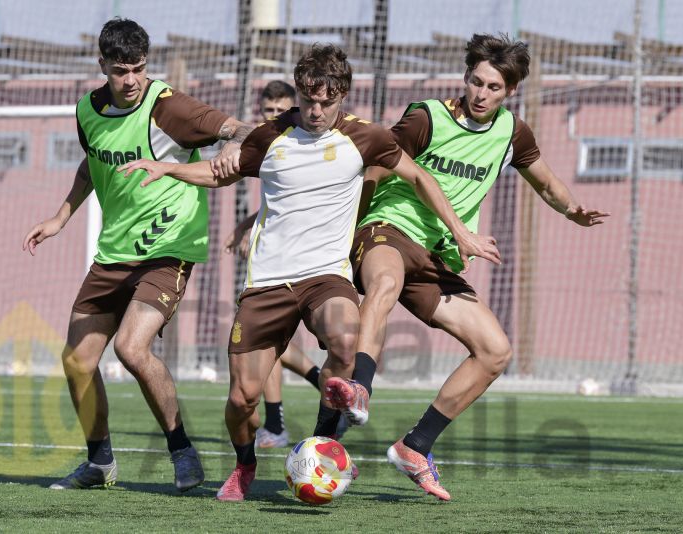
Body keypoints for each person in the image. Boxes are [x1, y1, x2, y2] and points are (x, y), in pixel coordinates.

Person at [119, 43, 499, 501]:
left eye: (326, 101)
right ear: (299, 93)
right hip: (267, 282)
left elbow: (420, 177)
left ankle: (322, 443)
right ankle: (244, 465)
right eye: (308, 100)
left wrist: (458, 231)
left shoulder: (366, 137)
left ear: (342, 96)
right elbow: (220, 174)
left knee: (345, 337)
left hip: (326, 276)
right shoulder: (269, 136)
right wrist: (166, 168)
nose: (316, 111)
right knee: (243, 399)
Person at [326, 33, 610, 501]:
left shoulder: (512, 134)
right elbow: (376, 168)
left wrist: (572, 209)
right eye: (476, 82)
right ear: (465, 78)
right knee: (385, 282)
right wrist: (346, 229)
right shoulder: (427, 118)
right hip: (389, 229)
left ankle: (415, 446)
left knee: (495, 350)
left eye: (493, 87)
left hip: (440, 255)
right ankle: (360, 388)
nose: (481, 94)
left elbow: (546, 181)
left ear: (510, 92)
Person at [21, 17, 252, 492]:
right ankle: (99, 463)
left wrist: (230, 143)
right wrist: (60, 217)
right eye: (121, 70)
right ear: (102, 64)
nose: (131, 81)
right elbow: (92, 162)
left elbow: (239, 127)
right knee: (77, 361)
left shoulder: (166, 106)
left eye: (139, 69)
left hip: (168, 248)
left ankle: (181, 450)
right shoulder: (87, 109)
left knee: (130, 347)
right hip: (114, 253)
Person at [224, 80, 335, 449]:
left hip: (316, 257)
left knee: (338, 338)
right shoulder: (268, 141)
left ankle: (328, 396)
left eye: (280, 109)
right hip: (274, 255)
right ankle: (283, 418)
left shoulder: (315, 141)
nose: (275, 116)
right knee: (267, 341)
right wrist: (246, 225)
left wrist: (245, 225)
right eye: (268, 110)